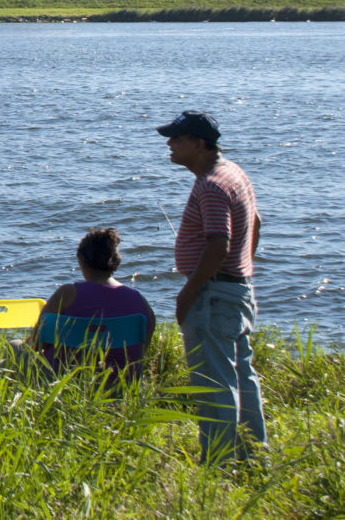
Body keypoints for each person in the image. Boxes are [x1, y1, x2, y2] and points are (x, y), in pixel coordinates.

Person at [156, 109, 267, 462]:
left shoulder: (212, 185)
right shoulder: (233, 172)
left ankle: (218, 465)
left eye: (177, 138)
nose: (170, 144)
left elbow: (219, 243)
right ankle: (252, 455)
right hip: (237, 289)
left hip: (214, 294)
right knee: (242, 377)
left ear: (200, 144)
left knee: (214, 384)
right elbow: (257, 223)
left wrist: (189, 293)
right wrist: (242, 269)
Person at [19, 227, 155, 382]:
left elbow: (37, 343)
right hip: (119, 384)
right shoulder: (139, 301)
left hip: (61, 382)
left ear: (81, 261)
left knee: (15, 346)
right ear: (116, 262)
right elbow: (141, 351)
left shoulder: (66, 294)